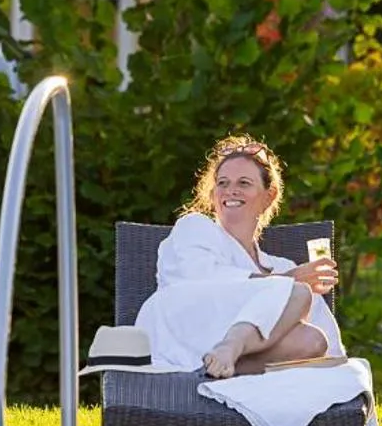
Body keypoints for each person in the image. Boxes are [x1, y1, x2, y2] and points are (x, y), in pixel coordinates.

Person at [135, 137, 343, 378]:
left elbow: (330, 349)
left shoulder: (281, 266)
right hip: (181, 331)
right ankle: (230, 347)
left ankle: (214, 368)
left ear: (269, 196)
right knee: (299, 291)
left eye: (244, 183)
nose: (231, 190)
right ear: (213, 195)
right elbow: (198, 279)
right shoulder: (195, 227)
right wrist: (287, 280)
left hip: (232, 355)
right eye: (223, 183)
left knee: (313, 341)